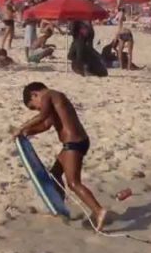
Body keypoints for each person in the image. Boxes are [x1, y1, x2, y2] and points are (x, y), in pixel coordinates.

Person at [15, 83, 108, 232]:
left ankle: (99, 211)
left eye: (34, 107)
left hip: (74, 144)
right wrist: (27, 132)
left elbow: (42, 116)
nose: (37, 109)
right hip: (73, 144)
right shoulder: (55, 101)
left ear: (34, 94)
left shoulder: (49, 95)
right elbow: (46, 124)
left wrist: (21, 127)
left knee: (73, 183)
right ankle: (60, 208)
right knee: (55, 174)